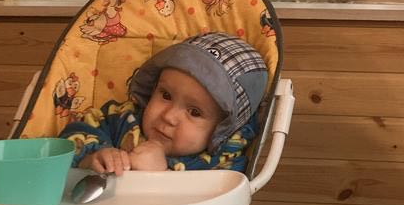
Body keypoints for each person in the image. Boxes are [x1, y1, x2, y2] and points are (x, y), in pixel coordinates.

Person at [59, 31, 268, 174]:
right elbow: (70, 139)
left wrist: (164, 176)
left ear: (222, 129)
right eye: (166, 95)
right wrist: (91, 159)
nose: (168, 117)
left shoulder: (222, 166)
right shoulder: (121, 119)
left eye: (194, 112)